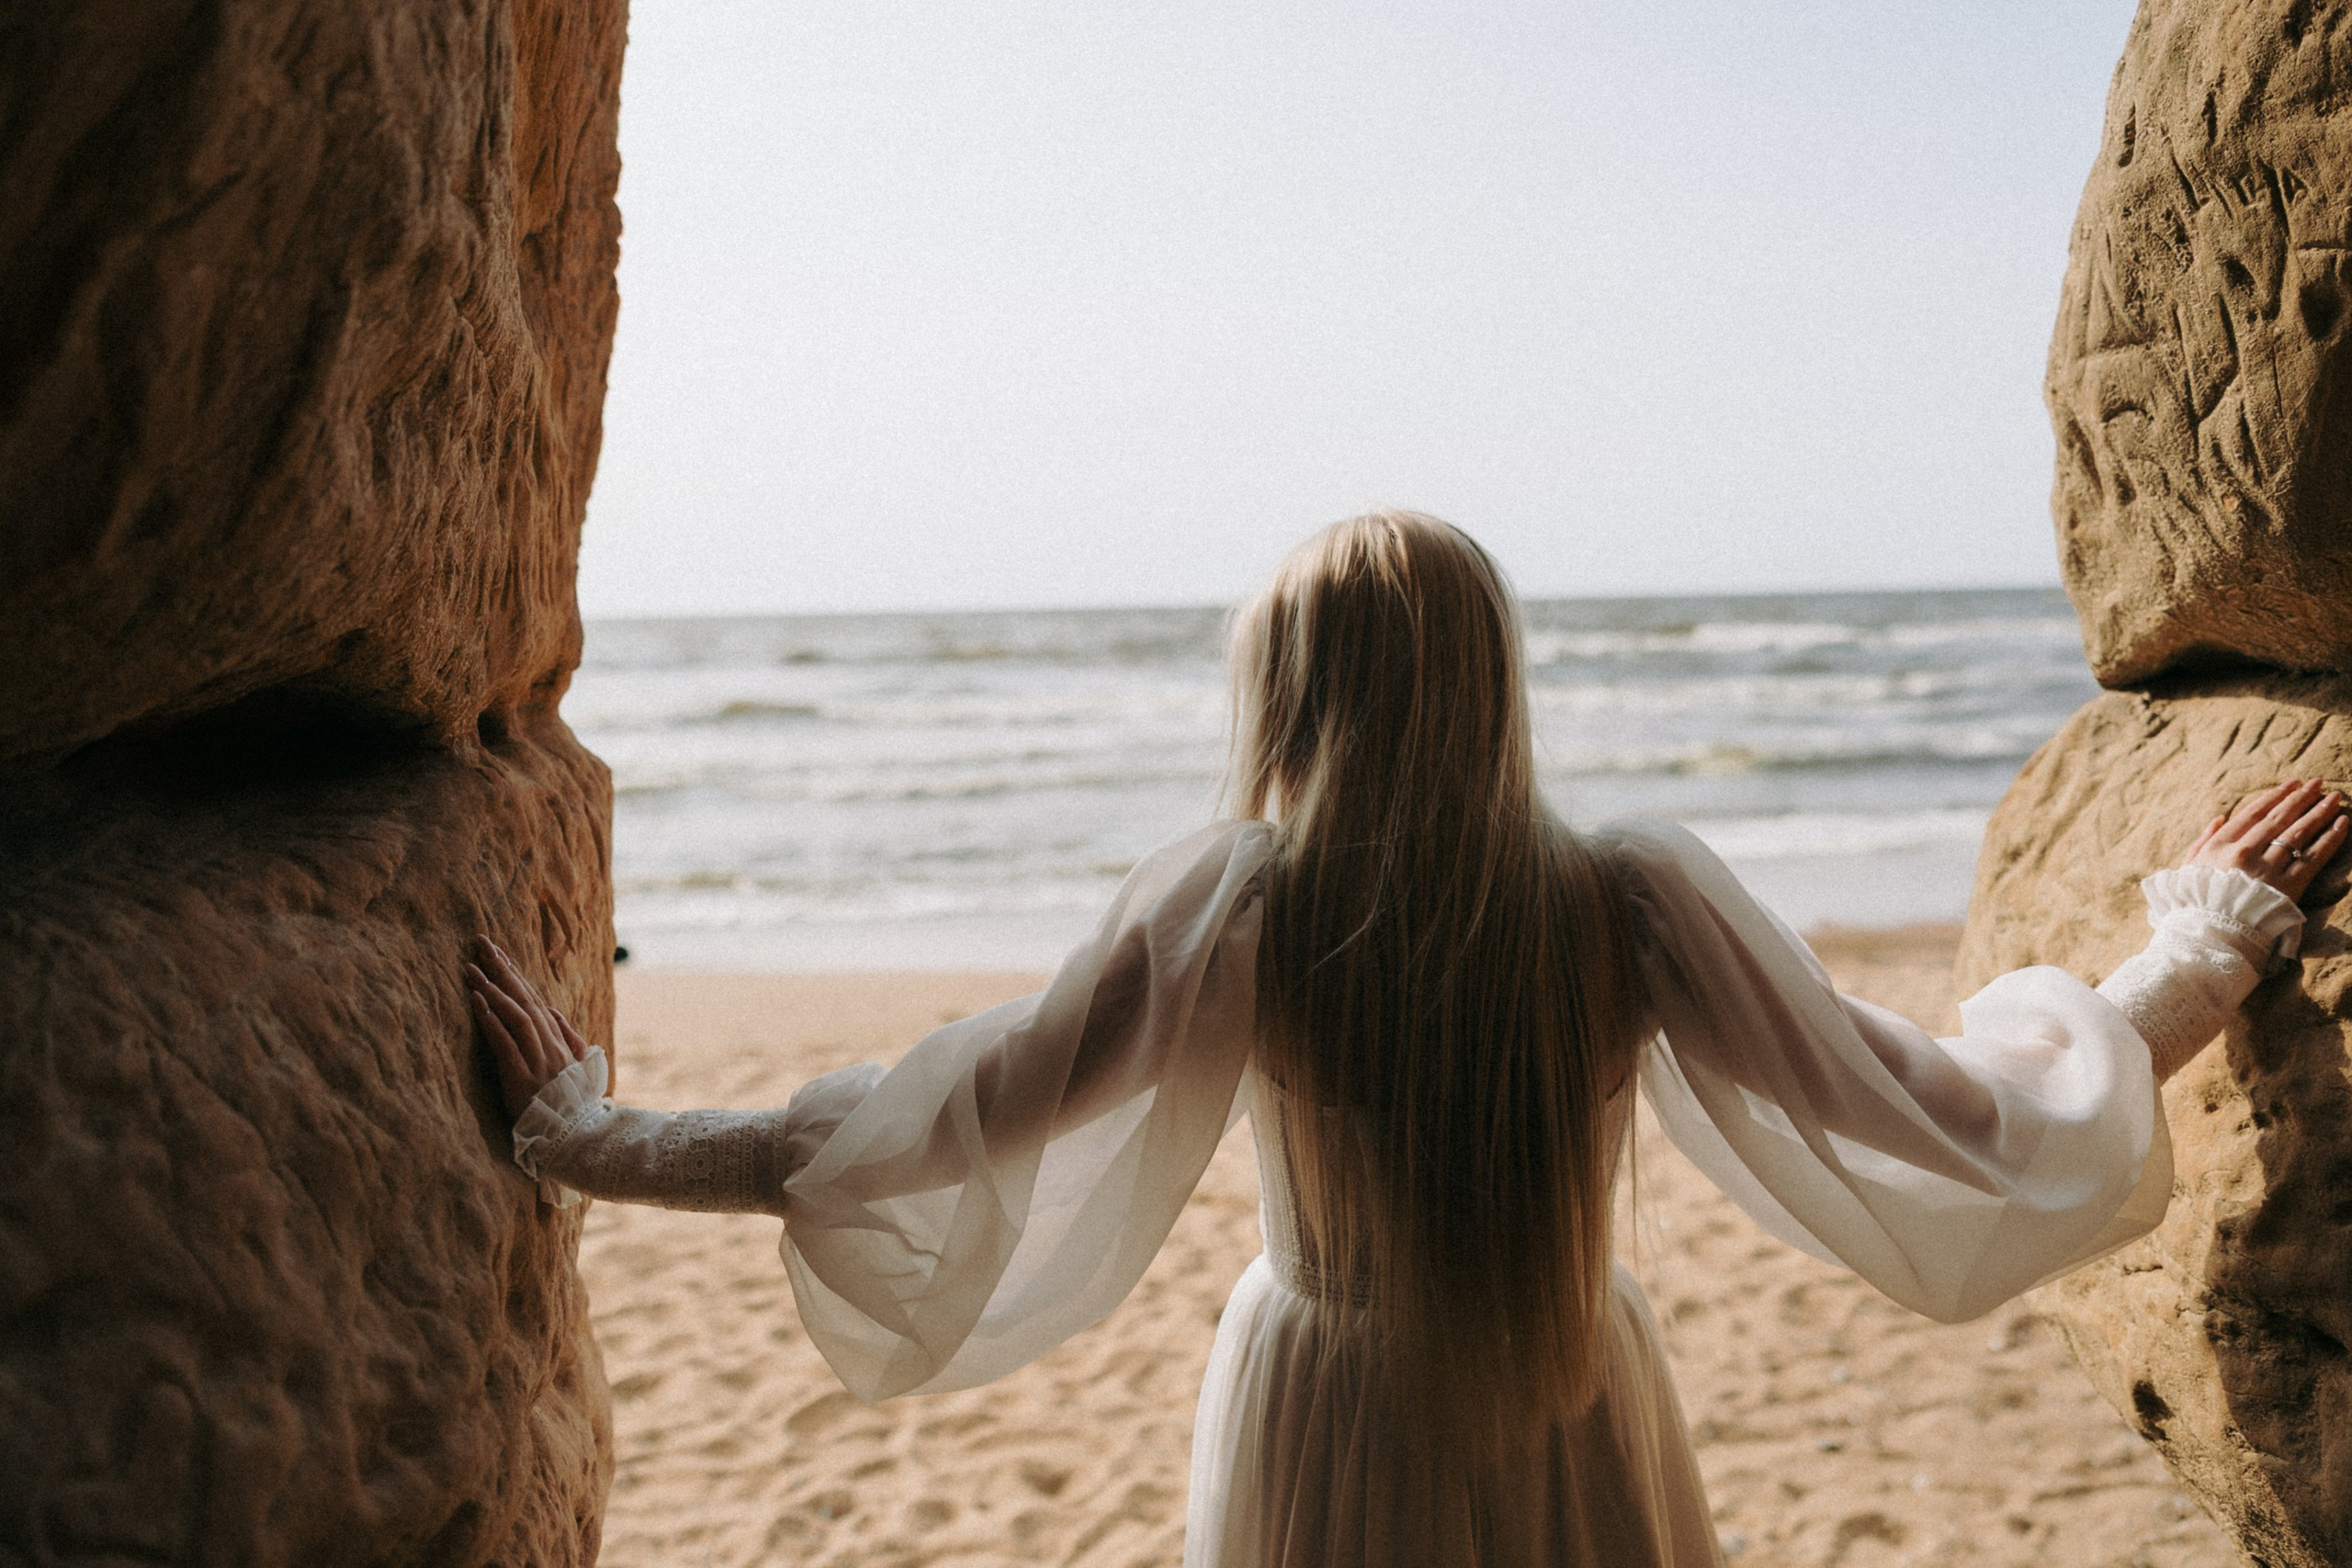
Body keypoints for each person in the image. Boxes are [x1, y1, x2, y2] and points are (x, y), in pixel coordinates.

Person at [469, 513, 2346, 1567]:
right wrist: (2197, 948)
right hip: (1569, 1376)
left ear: (1286, 697)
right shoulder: (1622, 903)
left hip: (1321, 1397)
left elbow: (924, 1125)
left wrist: (589, 1133)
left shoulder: (1249, 912)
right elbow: (1947, 1113)